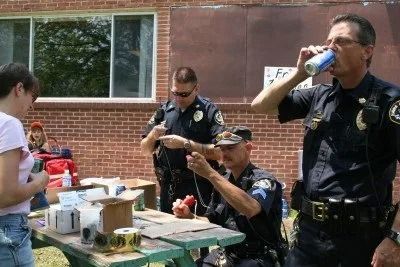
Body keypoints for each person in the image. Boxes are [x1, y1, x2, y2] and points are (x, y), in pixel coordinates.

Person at [251, 13, 400, 267]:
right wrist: (299, 73)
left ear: (366, 51)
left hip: (361, 239)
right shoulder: (319, 96)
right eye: (328, 42)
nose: (330, 48)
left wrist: (396, 238)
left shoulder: (389, 101)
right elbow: (260, 106)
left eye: (340, 41)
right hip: (309, 236)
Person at [172, 126, 285, 267]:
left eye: (230, 148)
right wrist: (190, 216)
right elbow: (211, 220)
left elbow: (251, 208)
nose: (224, 154)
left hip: (258, 258)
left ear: (248, 148)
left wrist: (211, 174)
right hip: (228, 254)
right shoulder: (223, 180)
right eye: (222, 149)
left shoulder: (264, 181)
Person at [141, 67, 225, 215]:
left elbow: (220, 153)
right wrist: (153, 135)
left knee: (198, 232)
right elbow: (145, 150)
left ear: (196, 88)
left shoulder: (209, 111)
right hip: (169, 187)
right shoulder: (165, 110)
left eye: (184, 94)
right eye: (175, 93)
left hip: (198, 186)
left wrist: (185, 144)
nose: (179, 98)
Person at [0, 63, 49, 266]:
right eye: (33, 97)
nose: (32, 105)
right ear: (19, 89)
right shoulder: (10, 124)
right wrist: (40, 181)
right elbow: (5, 195)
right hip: (8, 231)